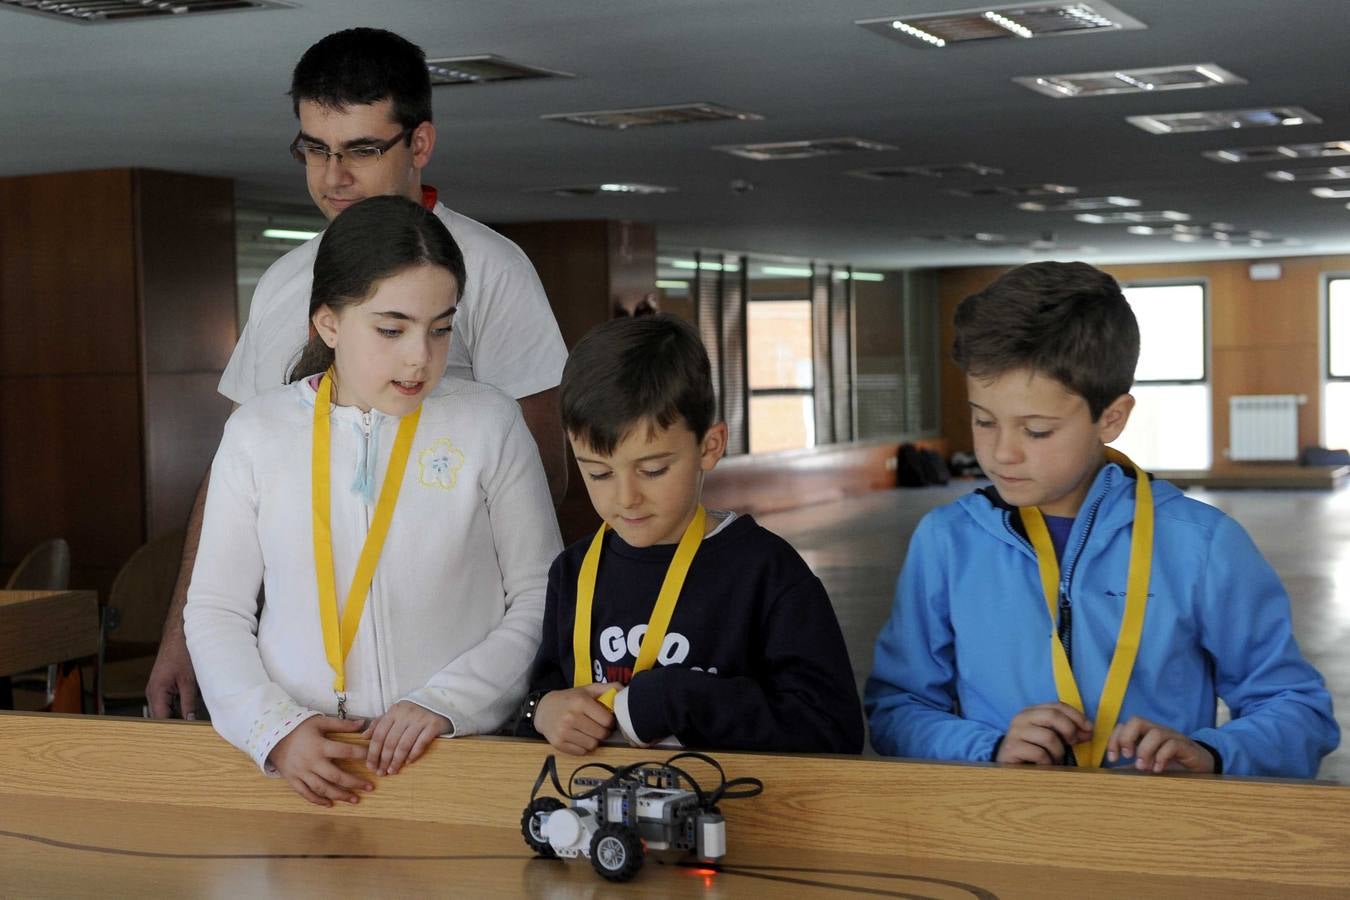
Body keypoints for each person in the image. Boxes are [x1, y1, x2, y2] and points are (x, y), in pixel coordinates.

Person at [150, 27, 569, 720]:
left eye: (361, 150)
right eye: (314, 149)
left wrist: (469, 674)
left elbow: (542, 474)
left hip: (452, 694)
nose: (331, 176)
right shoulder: (288, 279)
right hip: (309, 705)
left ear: (420, 144)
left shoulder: (493, 270)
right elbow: (236, 475)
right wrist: (181, 637)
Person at [865, 262, 1339, 778]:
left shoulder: (1202, 546)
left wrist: (1212, 754)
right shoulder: (946, 542)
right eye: (983, 420)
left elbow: (1299, 710)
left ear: (1111, 418)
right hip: (998, 830)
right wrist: (986, 746)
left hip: (1152, 838)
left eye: (1037, 430)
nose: (1002, 453)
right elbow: (896, 708)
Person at [184, 195, 560, 806]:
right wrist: (273, 729)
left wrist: (446, 702)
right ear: (328, 322)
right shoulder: (258, 432)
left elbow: (542, 595)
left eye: (441, 328)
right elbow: (216, 610)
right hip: (305, 762)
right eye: (392, 328)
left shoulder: (489, 423)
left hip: (459, 757)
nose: (421, 356)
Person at [514, 314, 864, 755]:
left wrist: (679, 700)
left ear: (709, 446)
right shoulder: (573, 571)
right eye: (599, 473)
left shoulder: (767, 573)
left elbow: (834, 731)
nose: (627, 498)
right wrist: (541, 710)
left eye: (654, 469)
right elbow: (534, 704)